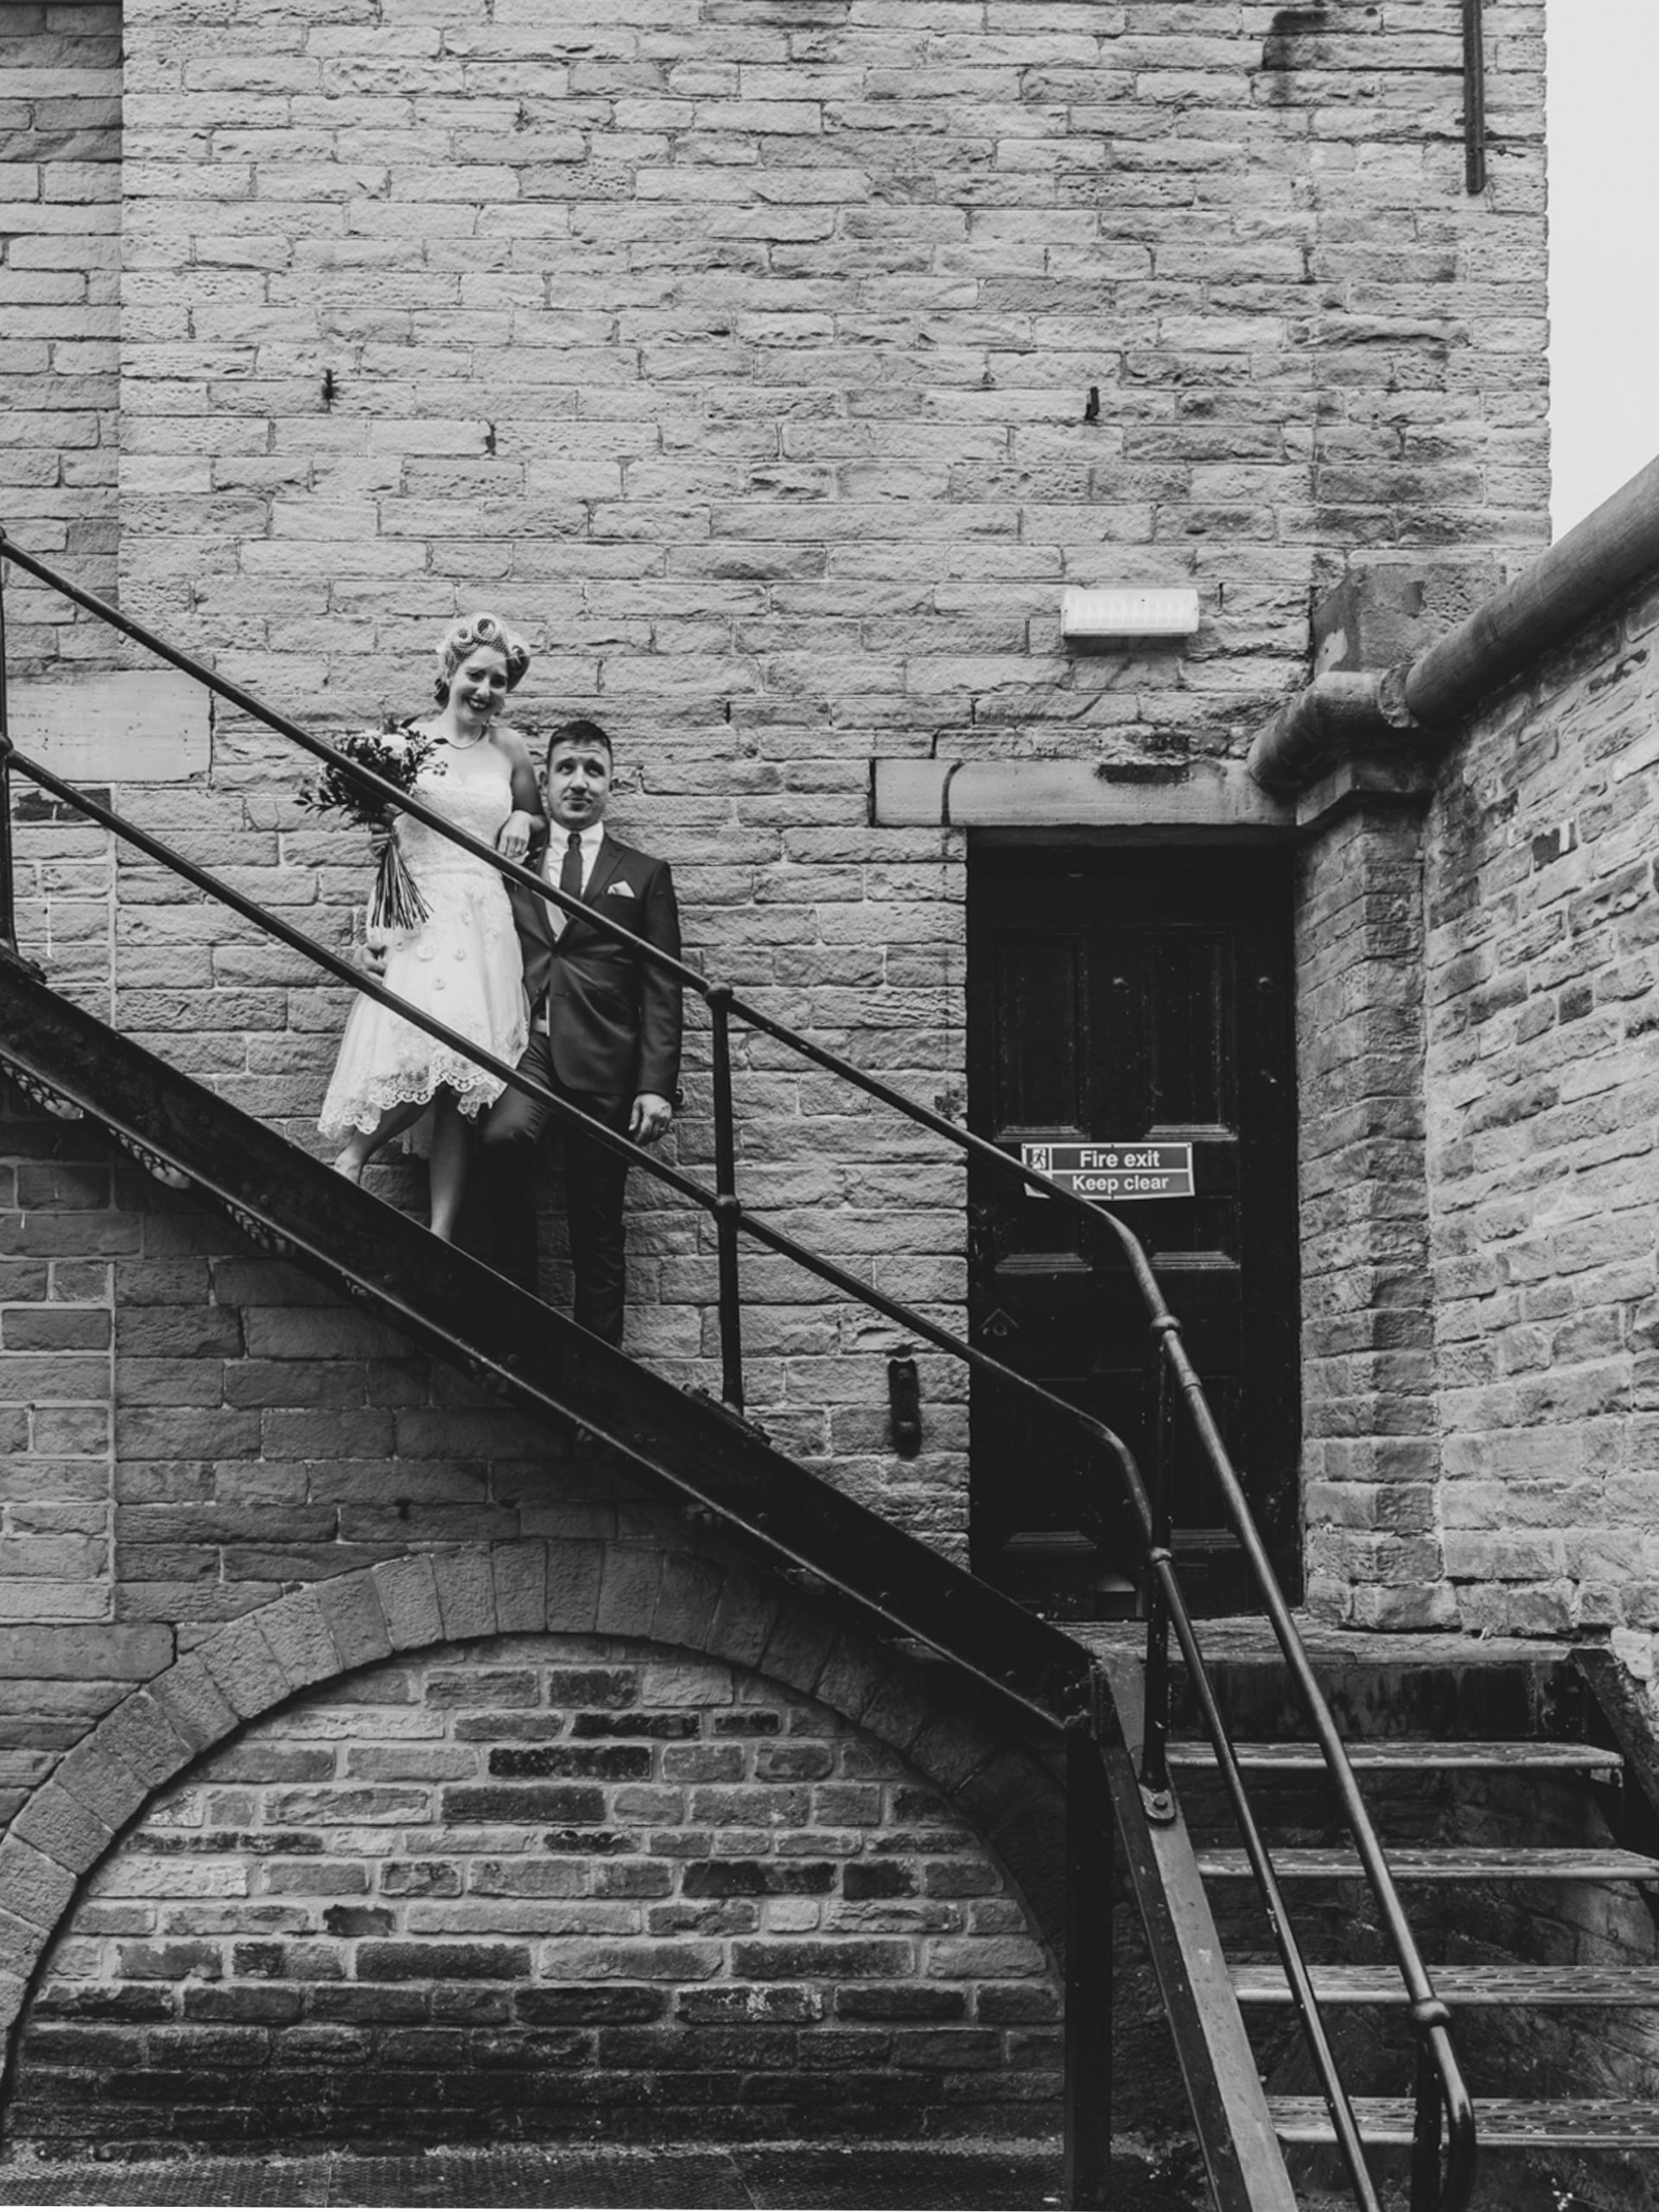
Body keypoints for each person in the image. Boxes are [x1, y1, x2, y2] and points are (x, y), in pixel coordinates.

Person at [318, 614, 542, 1241]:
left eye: (499, 681)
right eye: (476, 674)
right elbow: (381, 841)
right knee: (431, 1054)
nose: (486, 689)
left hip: (485, 920)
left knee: (459, 1088)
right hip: (420, 914)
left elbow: (534, 818)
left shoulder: (512, 750)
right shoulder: (401, 744)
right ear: (449, 672)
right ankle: (354, 1157)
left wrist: (528, 822)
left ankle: (440, 1232)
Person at [476, 718, 683, 1344]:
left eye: (594, 770)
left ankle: (600, 1366)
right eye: (567, 768)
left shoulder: (644, 874)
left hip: (607, 1063)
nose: (579, 782)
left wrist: (656, 1086)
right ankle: (521, 1328)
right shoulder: (512, 857)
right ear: (545, 778)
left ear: (611, 784)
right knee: (502, 1139)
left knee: (596, 1220)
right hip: (530, 1046)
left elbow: (662, 988)